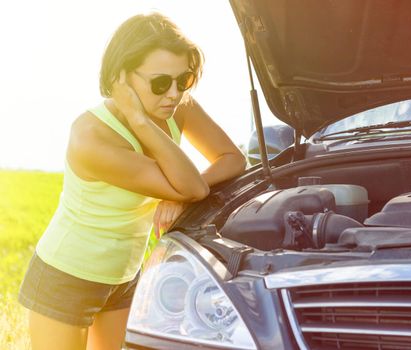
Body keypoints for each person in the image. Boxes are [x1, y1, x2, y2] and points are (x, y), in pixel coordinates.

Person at [18, 12, 246, 350]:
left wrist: (176, 196)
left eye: (182, 80)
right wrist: (140, 122)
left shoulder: (177, 106)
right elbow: (194, 187)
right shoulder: (91, 137)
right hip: (66, 277)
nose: (172, 93)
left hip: (124, 277)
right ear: (121, 77)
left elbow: (232, 159)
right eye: (159, 83)